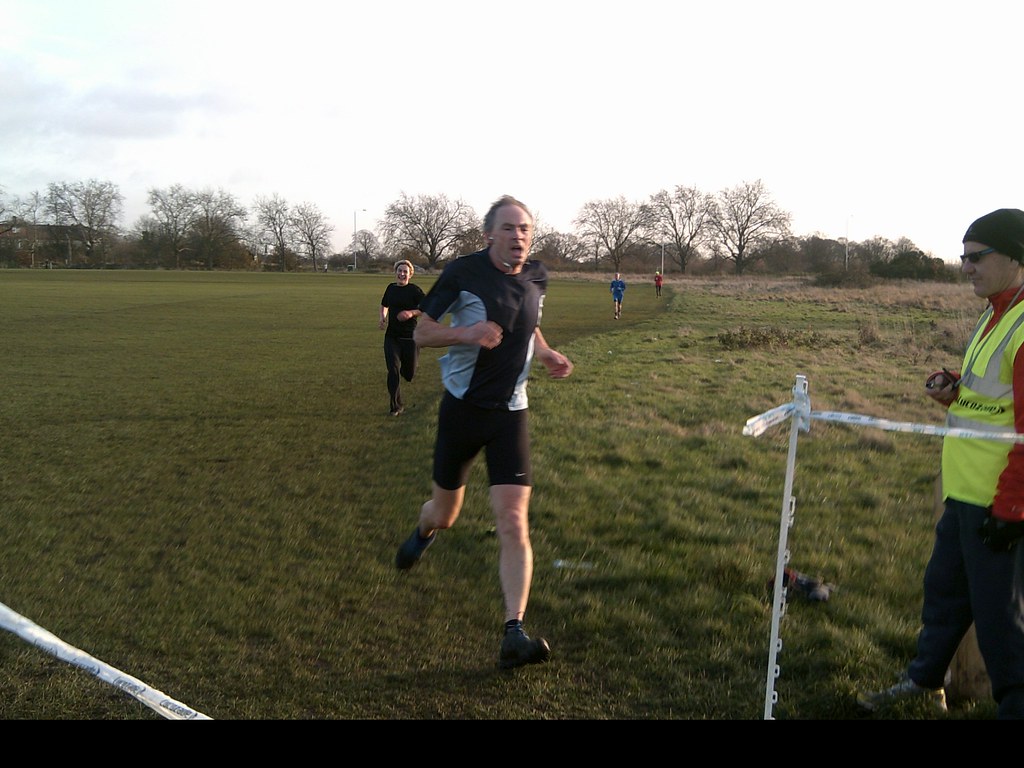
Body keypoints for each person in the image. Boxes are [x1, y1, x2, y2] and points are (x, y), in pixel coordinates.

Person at [393, 194, 574, 671]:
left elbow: (529, 326)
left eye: (525, 228)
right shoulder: (463, 273)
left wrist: (548, 353)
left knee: (514, 519)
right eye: (509, 228)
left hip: (510, 412)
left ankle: (513, 632)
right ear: (489, 235)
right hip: (462, 410)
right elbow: (422, 333)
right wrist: (467, 334)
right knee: (445, 513)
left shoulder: (538, 276)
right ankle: (423, 530)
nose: (519, 236)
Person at [858, 208, 1024, 719]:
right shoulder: (995, 312)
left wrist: (1010, 508)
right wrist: (953, 391)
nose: (965, 268)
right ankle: (925, 683)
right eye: (962, 257)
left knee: (1001, 627)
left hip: (1000, 504)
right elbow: (990, 403)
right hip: (965, 493)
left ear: (1016, 256)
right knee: (945, 595)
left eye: (976, 257)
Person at [379, 260, 425, 416]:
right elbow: (384, 304)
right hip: (392, 336)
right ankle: (395, 406)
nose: (402, 274)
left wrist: (412, 313)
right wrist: (382, 317)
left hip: (410, 338)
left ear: (410, 274)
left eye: (405, 271)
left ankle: (407, 371)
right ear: (396, 272)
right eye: (399, 270)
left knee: (409, 374)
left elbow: (427, 307)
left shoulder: (414, 290)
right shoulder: (391, 288)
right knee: (392, 370)